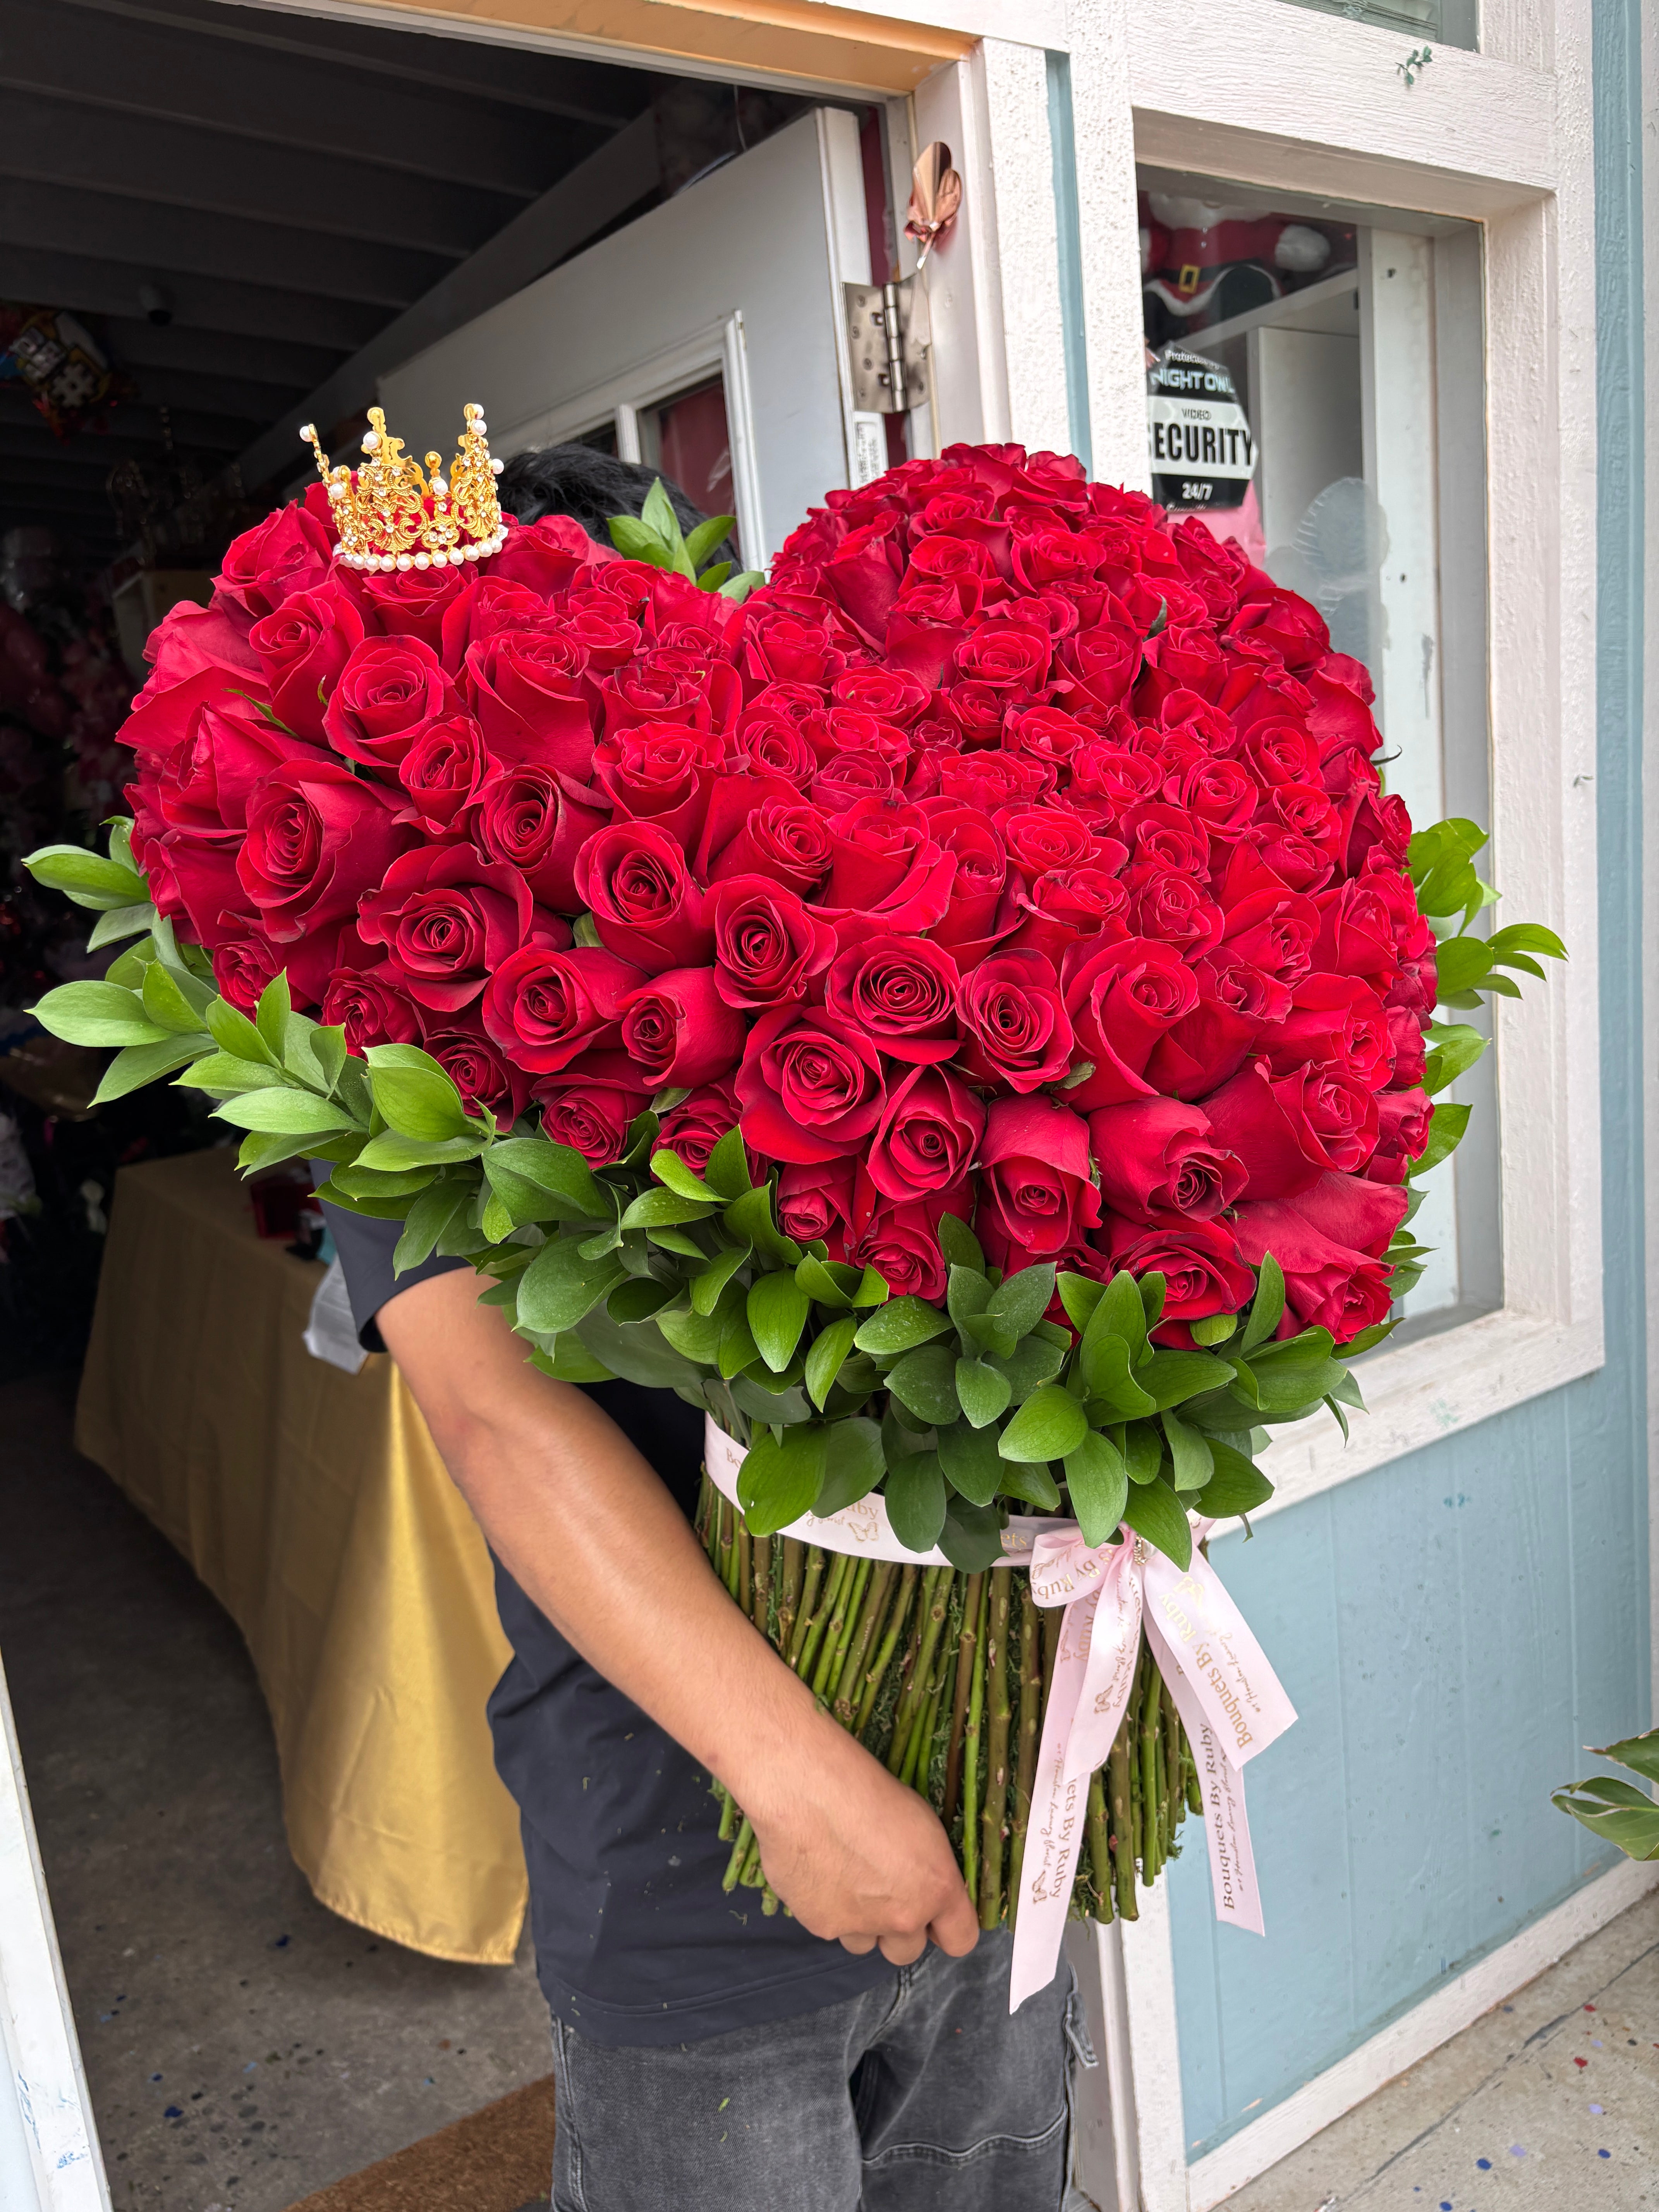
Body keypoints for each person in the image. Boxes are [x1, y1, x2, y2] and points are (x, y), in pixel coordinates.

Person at [317, 446, 1092, 2212]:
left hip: (982, 1758)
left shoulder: (825, 890)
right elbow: (499, 1416)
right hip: (698, 1851)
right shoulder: (398, 1010)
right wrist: (799, 1784)